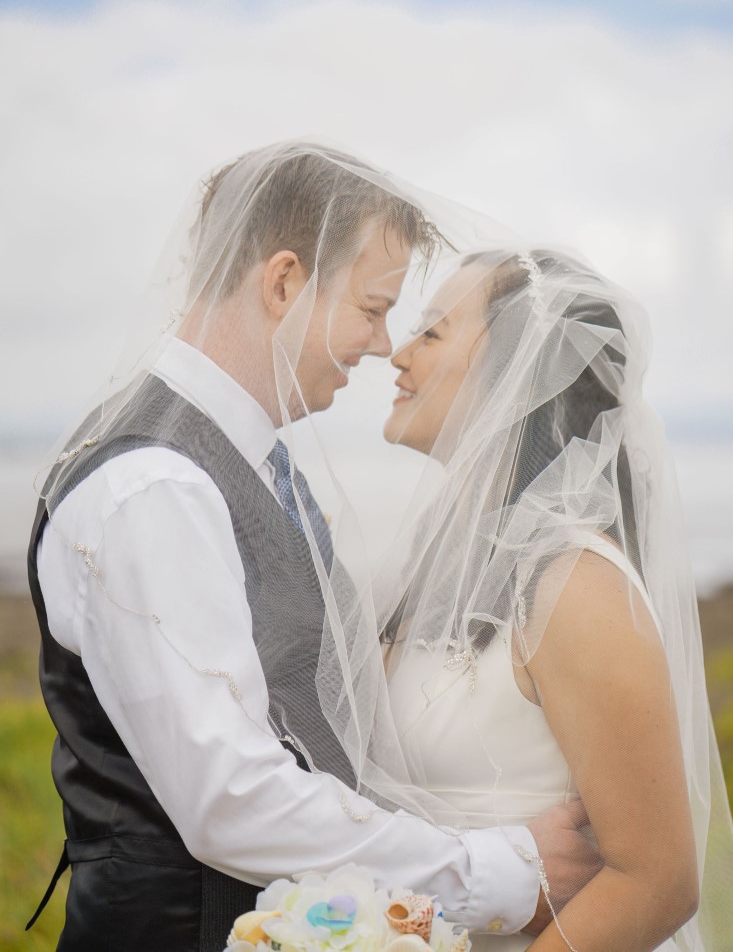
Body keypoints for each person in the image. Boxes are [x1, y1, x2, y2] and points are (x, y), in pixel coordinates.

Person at [27, 145, 599, 952]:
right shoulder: (157, 488)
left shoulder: (242, 462)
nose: (381, 344)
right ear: (284, 282)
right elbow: (231, 799)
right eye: (372, 308)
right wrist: (496, 871)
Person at [339, 249, 733, 950]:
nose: (396, 354)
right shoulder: (439, 561)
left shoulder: (573, 582)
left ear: (517, 376)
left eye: (431, 332)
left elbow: (659, 880)